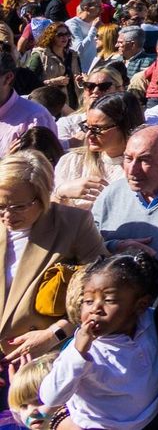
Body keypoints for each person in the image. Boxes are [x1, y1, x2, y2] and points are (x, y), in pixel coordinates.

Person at [38, 250, 158, 430]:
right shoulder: (85, 348)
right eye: (88, 301)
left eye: (109, 300)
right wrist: (78, 353)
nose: (95, 309)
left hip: (151, 420)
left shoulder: (150, 322)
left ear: (140, 305)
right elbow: (51, 397)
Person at [0, 150, 106, 368]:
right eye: (1, 206)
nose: (8, 216)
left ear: (43, 196)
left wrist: (55, 333)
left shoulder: (73, 224)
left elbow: (103, 291)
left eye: (18, 207)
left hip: (37, 363)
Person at [92, 123, 158, 264]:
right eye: (128, 158)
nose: (132, 170)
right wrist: (115, 247)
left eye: (144, 160)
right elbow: (86, 249)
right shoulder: (111, 195)